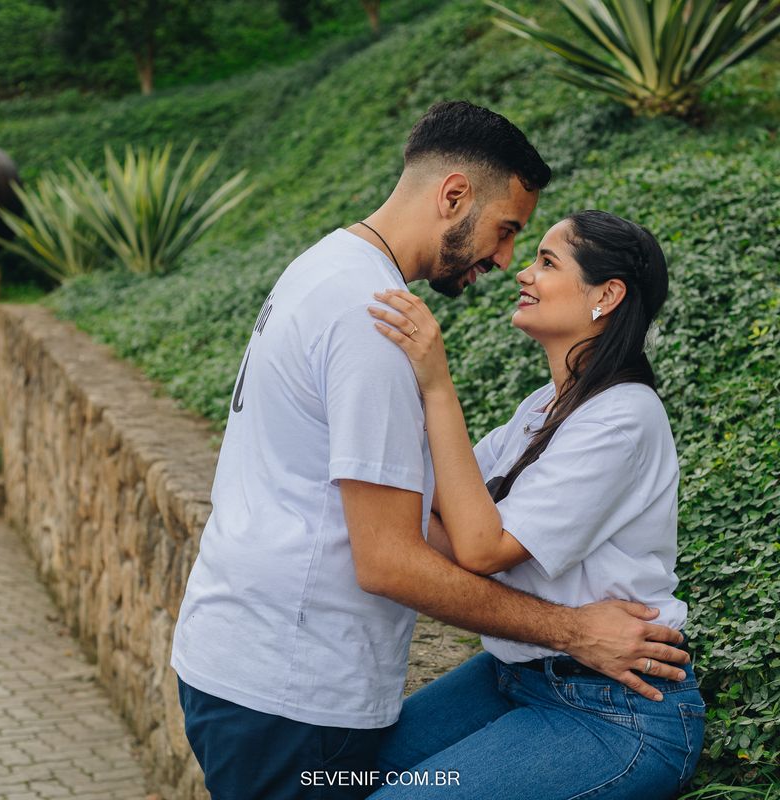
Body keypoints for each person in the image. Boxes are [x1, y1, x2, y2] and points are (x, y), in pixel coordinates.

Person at [170, 102, 690, 800]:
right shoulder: (374, 317)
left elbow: (457, 525)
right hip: (291, 676)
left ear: (608, 297)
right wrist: (572, 630)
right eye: (511, 234)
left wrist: (436, 388)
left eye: (536, 254)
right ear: (453, 196)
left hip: (268, 660)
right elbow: (410, 550)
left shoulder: (331, 271)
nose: (507, 263)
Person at [366, 209, 705, 799]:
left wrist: (436, 384)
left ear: (608, 294)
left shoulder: (624, 416)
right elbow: (445, 506)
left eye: (547, 262)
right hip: (516, 674)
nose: (523, 272)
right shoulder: (543, 406)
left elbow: (480, 546)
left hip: (615, 712)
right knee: (337, 775)